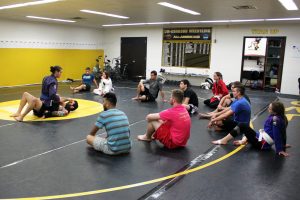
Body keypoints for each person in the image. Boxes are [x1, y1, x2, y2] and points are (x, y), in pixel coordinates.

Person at [212, 101, 289, 157]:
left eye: (270, 108)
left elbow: (278, 134)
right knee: (248, 130)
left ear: (275, 111)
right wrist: (284, 144)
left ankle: (224, 140)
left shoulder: (275, 119)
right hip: (261, 139)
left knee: (242, 125)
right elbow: (283, 132)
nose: (268, 109)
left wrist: (280, 149)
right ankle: (243, 141)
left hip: (262, 144)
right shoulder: (280, 117)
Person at [10, 92, 78, 121]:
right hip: (43, 105)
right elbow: (60, 98)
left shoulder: (65, 110)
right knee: (25, 94)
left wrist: (47, 114)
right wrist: (68, 99)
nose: (71, 101)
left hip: (43, 110)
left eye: (72, 102)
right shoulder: (62, 102)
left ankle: (21, 117)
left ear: (72, 107)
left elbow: (57, 113)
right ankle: (18, 112)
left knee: (33, 100)